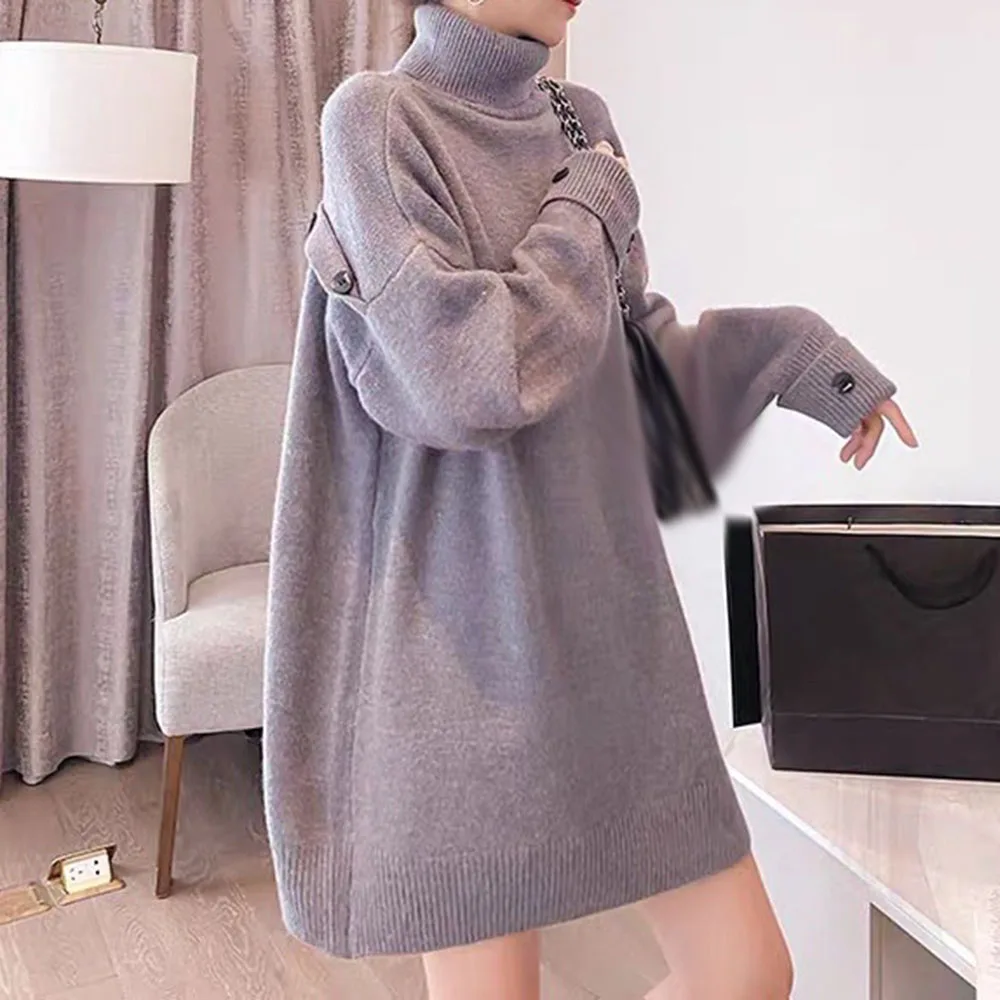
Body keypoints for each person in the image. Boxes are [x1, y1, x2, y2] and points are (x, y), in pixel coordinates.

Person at [262, 1, 918, 997]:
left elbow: (631, 384)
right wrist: (587, 208)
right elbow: (465, 380)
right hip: (457, 666)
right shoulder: (378, 120)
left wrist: (800, 354)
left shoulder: (579, 123)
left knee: (746, 970)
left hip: (611, 636)